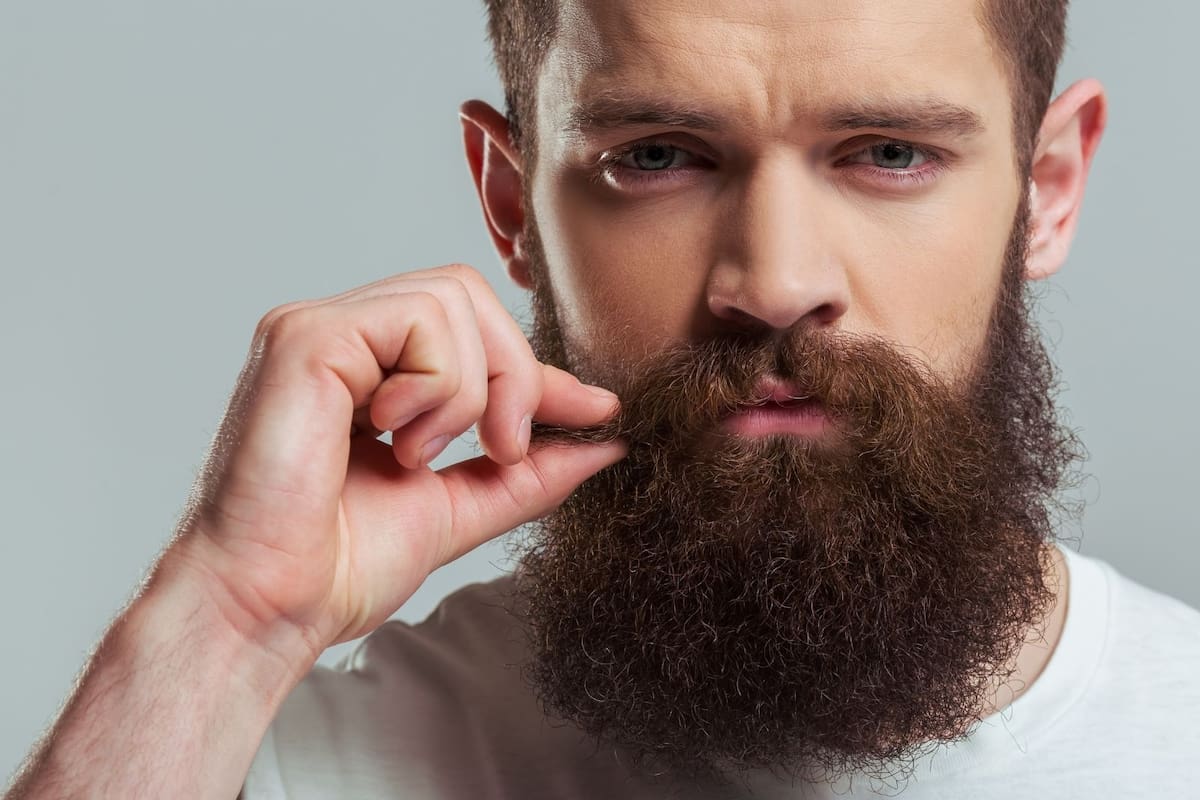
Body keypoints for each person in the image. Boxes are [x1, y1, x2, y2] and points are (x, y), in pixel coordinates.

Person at [6, 0, 1200, 797]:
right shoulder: (279, 756)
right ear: (514, 206)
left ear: (1044, 189)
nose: (775, 282)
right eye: (661, 155)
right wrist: (224, 619)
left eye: (890, 152)